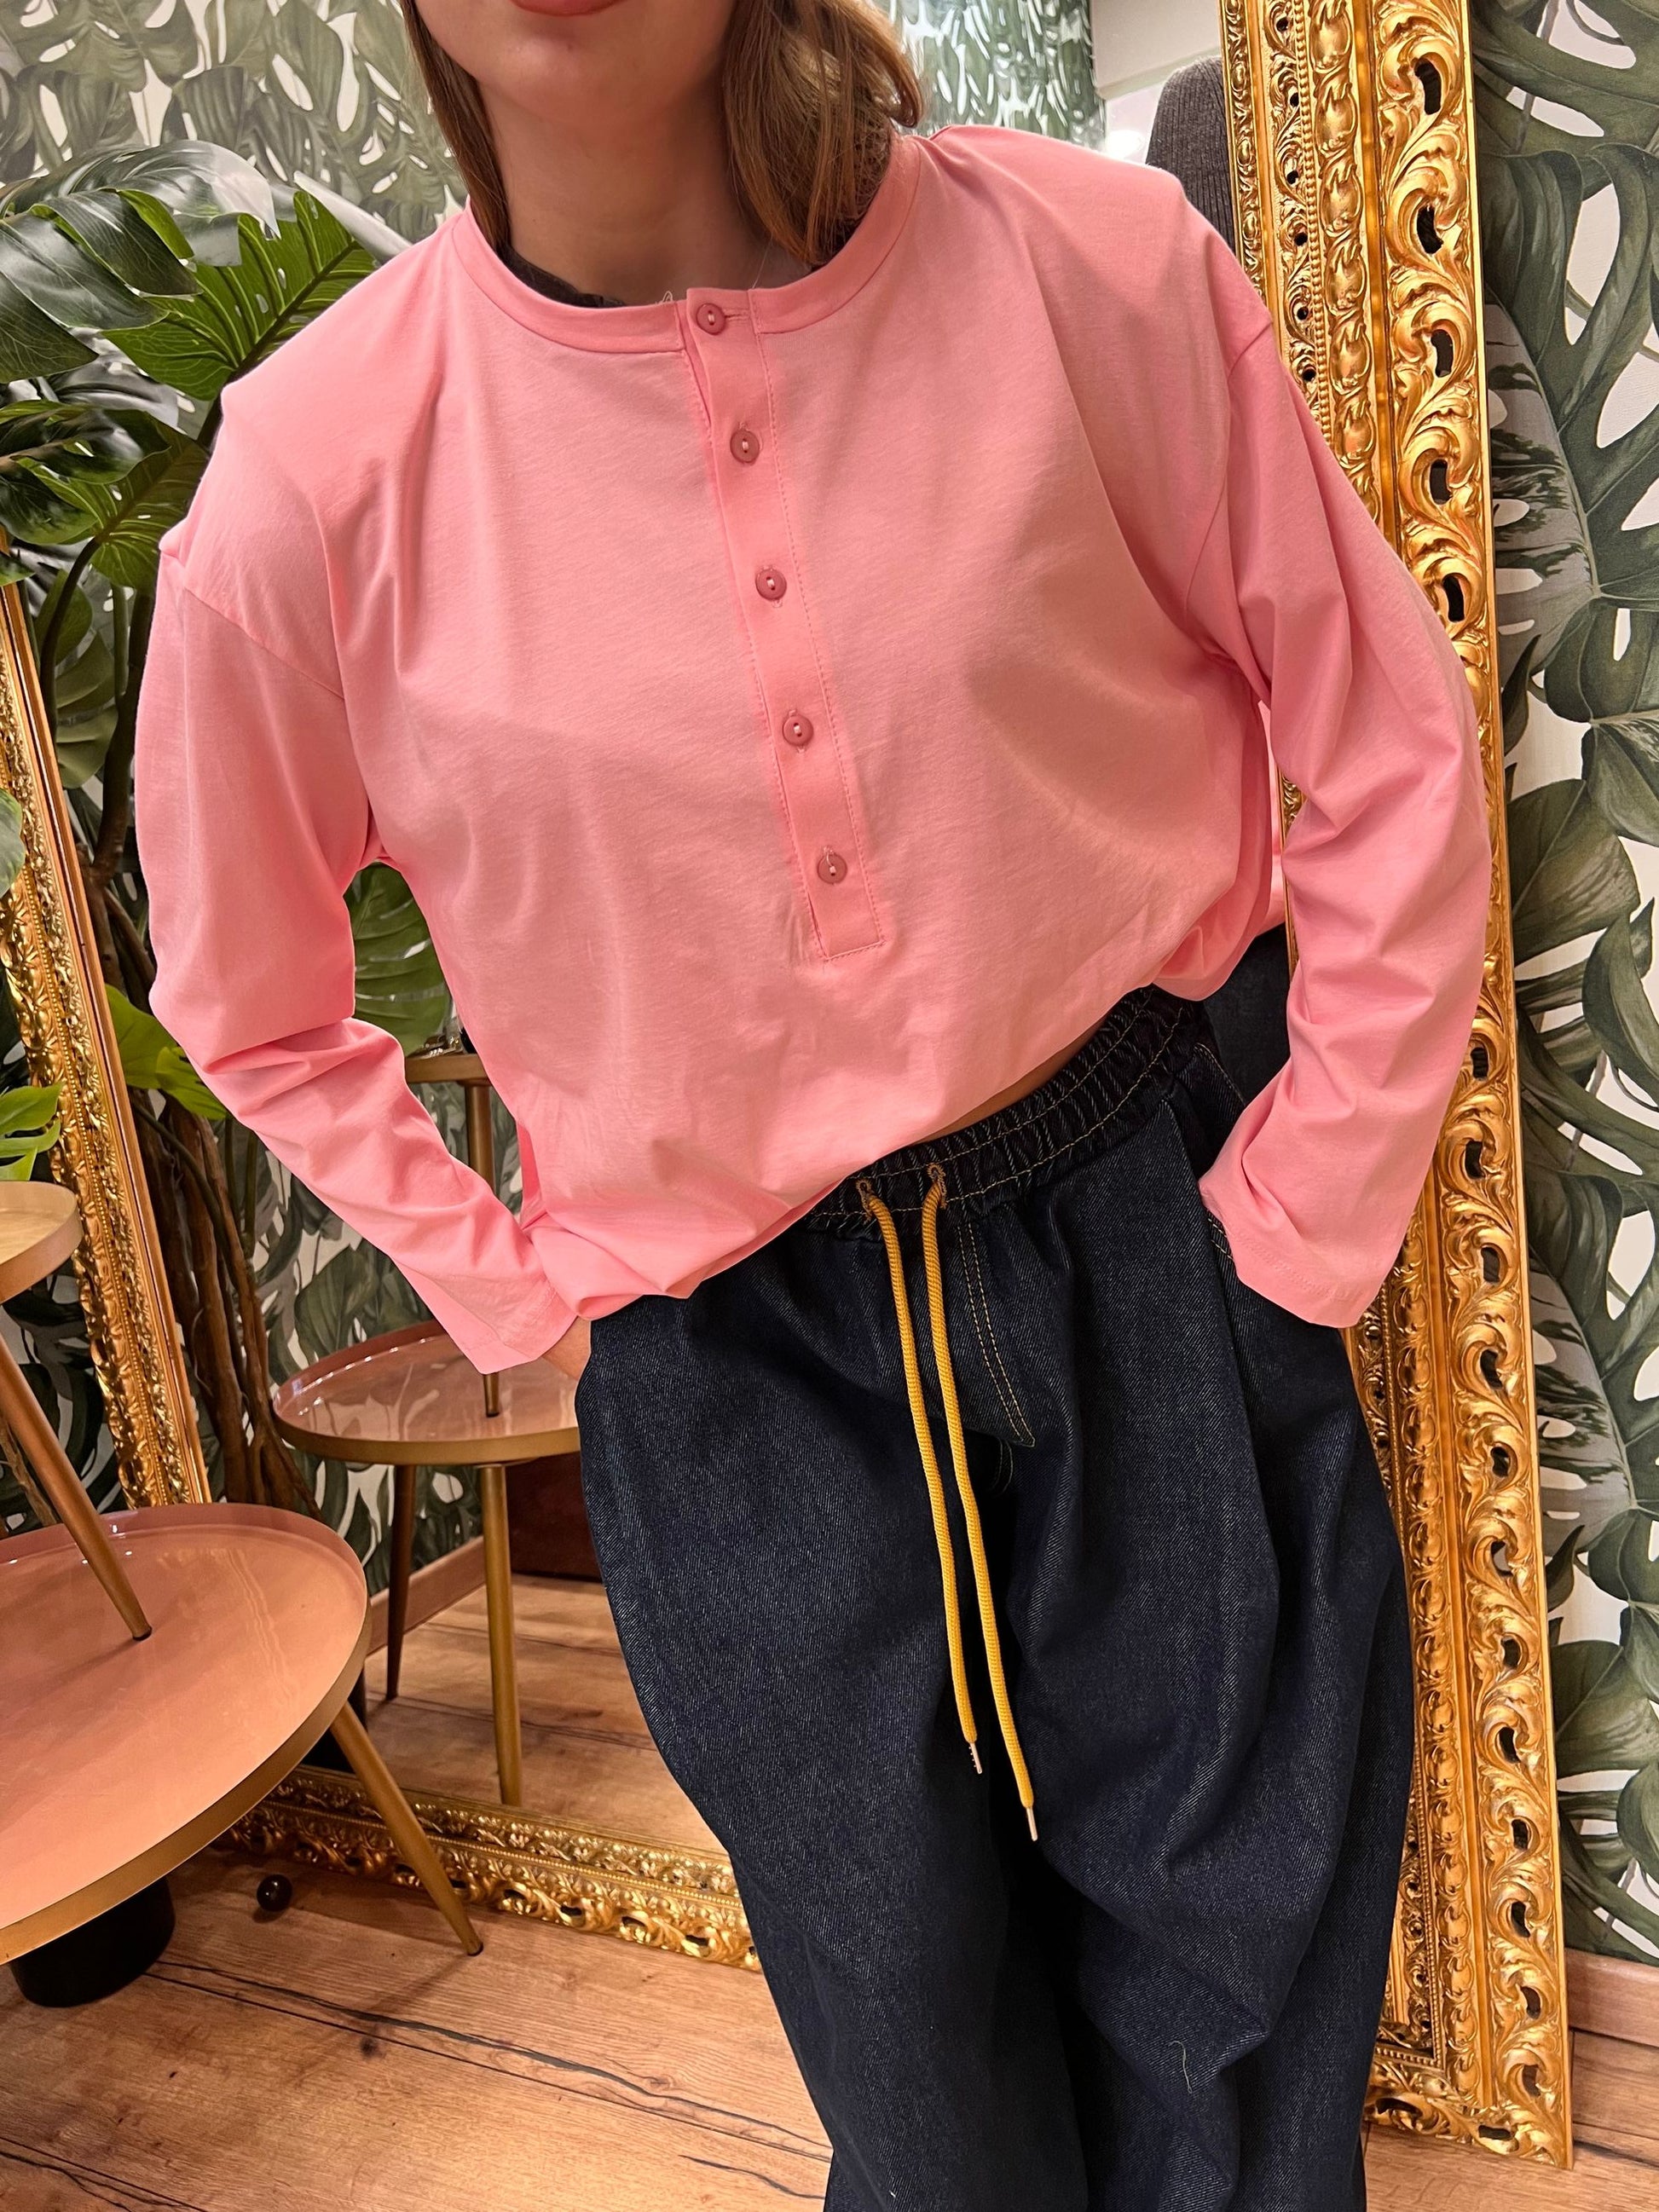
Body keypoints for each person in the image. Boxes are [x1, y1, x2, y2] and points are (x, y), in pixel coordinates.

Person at [132, 3, 1493, 2206]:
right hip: (733, 1370)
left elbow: (1387, 742)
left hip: (1149, 1247)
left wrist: (1304, 1212)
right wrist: (508, 1283)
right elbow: (243, 990)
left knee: (1243, 2036)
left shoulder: (1090, 270)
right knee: (917, 2091)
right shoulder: (314, 474)